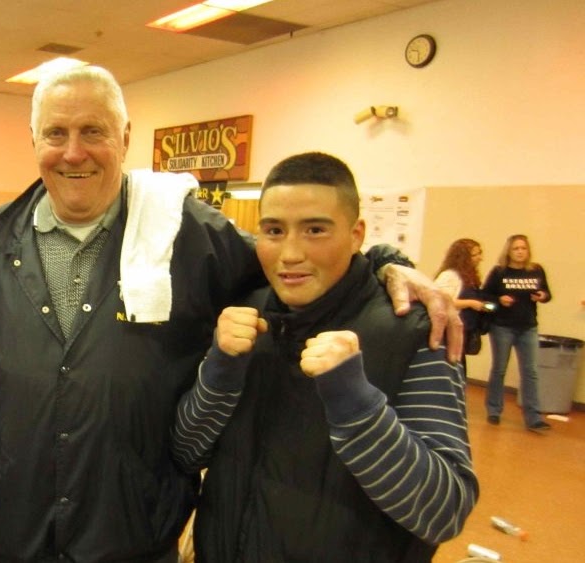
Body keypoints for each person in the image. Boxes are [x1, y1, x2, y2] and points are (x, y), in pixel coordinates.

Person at [0, 67, 460, 561]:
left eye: (94, 131)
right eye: (56, 133)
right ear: (33, 143)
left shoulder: (193, 237)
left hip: (134, 537)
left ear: (126, 140)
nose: (75, 152)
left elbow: (293, 257)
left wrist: (391, 265)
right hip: (15, 536)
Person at [173, 152, 477, 562]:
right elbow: (186, 453)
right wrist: (219, 372)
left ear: (356, 235)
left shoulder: (416, 330)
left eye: (315, 229)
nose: (291, 253)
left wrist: (358, 406)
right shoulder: (246, 310)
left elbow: (444, 513)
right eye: (274, 230)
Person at [482, 234, 552, 432]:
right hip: (502, 326)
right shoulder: (499, 272)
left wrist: (542, 296)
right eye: (516, 248)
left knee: (530, 371)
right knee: (499, 369)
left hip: (528, 327)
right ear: (509, 251)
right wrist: (499, 299)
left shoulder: (536, 270)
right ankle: (494, 410)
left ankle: (533, 416)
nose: (520, 252)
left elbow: (547, 294)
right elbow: (486, 295)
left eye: (523, 248)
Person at [435, 238, 492, 370]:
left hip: (465, 330)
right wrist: (470, 303)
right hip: (450, 331)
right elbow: (441, 301)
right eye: (475, 255)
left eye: (480, 253)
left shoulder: (470, 278)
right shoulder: (449, 276)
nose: (480, 258)